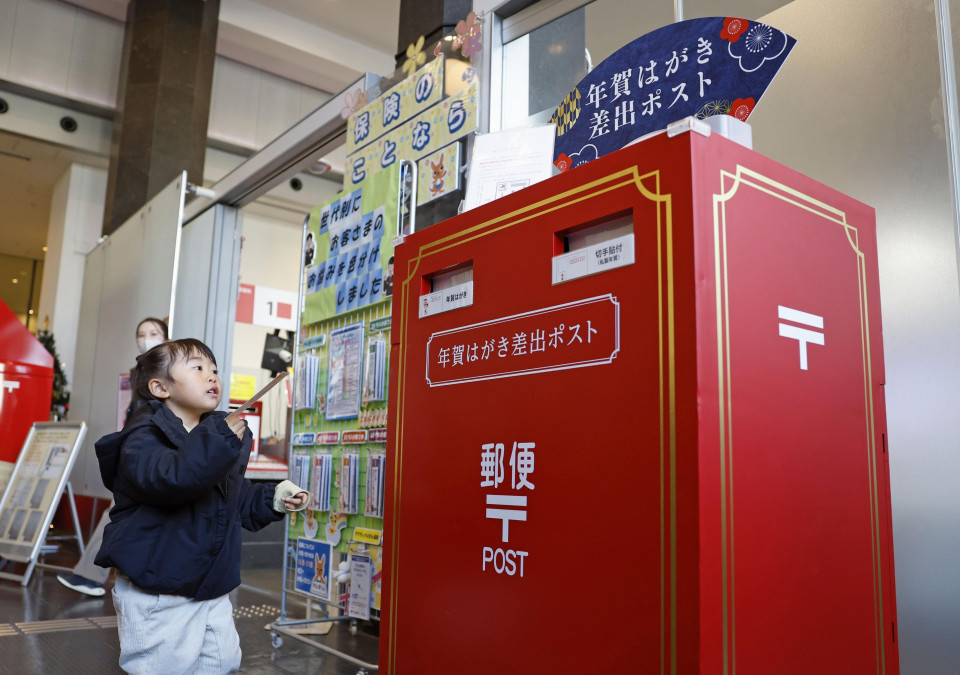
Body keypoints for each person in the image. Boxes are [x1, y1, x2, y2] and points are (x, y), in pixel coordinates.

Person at [93, 338, 308, 673]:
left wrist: (274, 497)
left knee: (222, 663)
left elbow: (230, 496)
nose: (212, 376)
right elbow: (173, 479)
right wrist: (219, 439)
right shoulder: (142, 438)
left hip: (210, 587)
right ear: (160, 386)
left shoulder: (216, 435)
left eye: (215, 370)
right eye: (198, 368)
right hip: (159, 591)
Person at [57, 317, 170, 597]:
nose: (146, 338)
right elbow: (134, 412)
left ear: (166, 337)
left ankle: (96, 577)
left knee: (121, 510)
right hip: (137, 447)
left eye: (153, 333)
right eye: (141, 334)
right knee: (118, 510)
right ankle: (93, 576)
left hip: (159, 450)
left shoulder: (172, 368)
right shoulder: (137, 371)